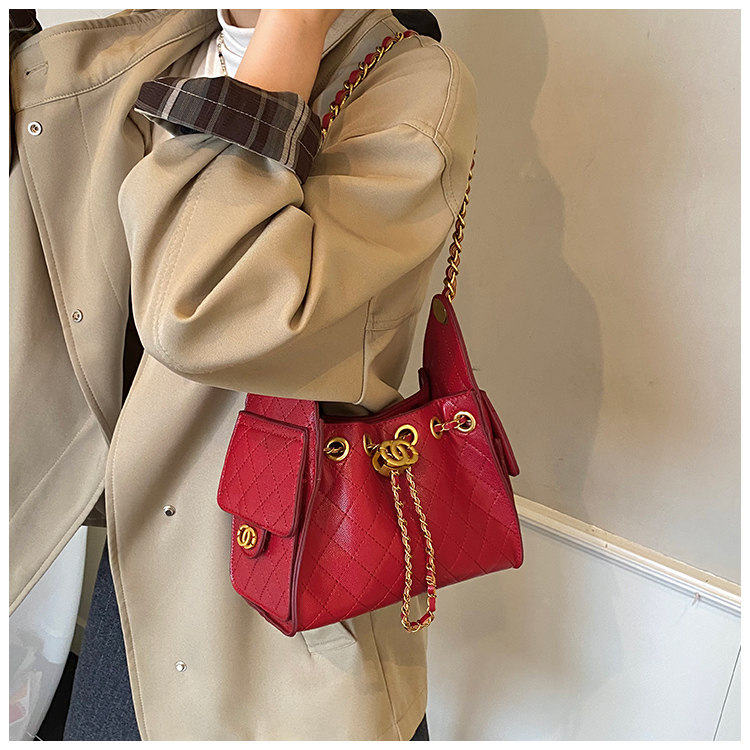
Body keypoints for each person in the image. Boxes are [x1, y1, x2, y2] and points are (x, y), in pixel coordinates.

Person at [9, 8, 478, 741]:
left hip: (283, 600)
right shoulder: (150, 49)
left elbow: (199, 309)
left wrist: (293, 26)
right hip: (137, 562)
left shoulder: (411, 86)